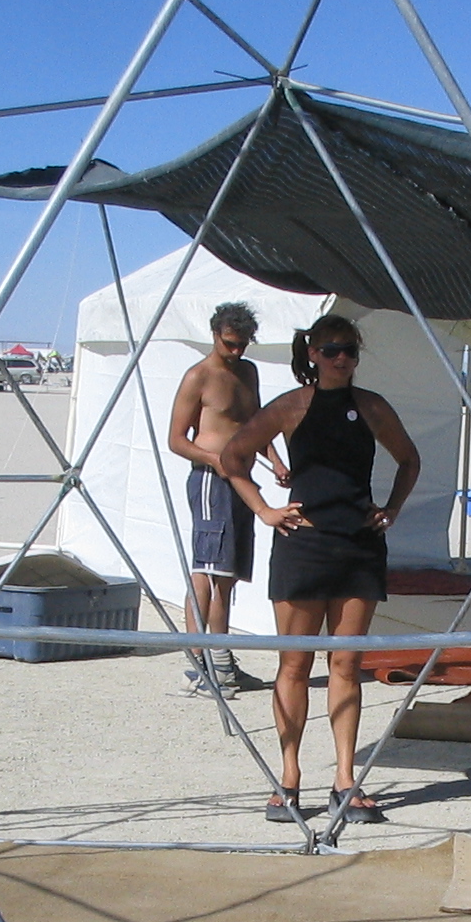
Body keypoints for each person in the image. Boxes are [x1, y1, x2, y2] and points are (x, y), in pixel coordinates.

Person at [218, 314, 420, 826]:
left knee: (347, 665)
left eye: (349, 350)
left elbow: (409, 460)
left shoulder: (372, 406)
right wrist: (264, 510)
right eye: (331, 350)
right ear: (313, 354)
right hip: (302, 545)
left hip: (358, 546)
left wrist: (392, 509)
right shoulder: (290, 407)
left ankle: (345, 780)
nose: (341, 358)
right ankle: (288, 778)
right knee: (294, 665)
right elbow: (232, 457)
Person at [167, 300, 286, 698]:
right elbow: (177, 440)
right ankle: (199, 667)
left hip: (242, 479)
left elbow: (255, 424)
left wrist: (274, 460)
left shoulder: (248, 372)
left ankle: (221, 662)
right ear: (215, 334)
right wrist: (215, 460)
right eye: (229, 343)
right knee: (206, 571)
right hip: (210, 481)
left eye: (242, 344)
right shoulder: (198, 376)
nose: (235, 351)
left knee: (227, 575)